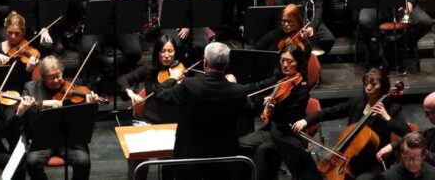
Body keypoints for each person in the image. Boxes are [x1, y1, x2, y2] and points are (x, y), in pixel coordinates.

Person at [153, 42, 251, 180]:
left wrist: (172, 78)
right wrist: (234, 85)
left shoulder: (189, 85)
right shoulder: (238, 91)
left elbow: (160, 94)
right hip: (222, 162)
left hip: (189, 161)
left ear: (205, 62)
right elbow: (249, 110)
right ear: (227, 64)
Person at [292, 68, 410, 180]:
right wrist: (306, 121)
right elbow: (331, 112)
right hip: (347, 158)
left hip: (373, 162)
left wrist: (387, 118)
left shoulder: (392, 108)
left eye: (373, 84)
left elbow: (408, 133)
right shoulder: (358, 101)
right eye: (366, 83)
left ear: (383, 87)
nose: (368, 88)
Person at [239, 44, 318, 180]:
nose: (285, 65)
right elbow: (258, 86)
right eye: (282, 60)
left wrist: (274, 105)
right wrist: (236, 88)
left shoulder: (302, 89)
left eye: (290, 61)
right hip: (272, 130)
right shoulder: (279, 79)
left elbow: (288, 116)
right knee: (240, 145)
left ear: (298, 63)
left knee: (263, 152)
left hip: (288, 134)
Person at [22, 55, 99, 180]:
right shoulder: (30, 88)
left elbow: (84, 119)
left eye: (59, 75)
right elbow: (26, 112)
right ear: (42, 76)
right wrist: (44, 104)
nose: (57, 80)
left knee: (83, 161)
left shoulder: (71, 88)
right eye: (51, 77)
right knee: (32, 162)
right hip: (43, 141)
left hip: (69, 141)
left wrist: (89, 104)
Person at [119, 36, 184, 179]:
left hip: (172, 124)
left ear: (175, 52)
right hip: (149, 121)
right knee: (136, 153)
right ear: (157, 53)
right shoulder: (149, 70)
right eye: (163, 51)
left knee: (178, 156)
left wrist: (178, 80)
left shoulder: (181, 72)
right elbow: (123, 79)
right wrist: (130, 92)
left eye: (170, 51)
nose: (167, 56)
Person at [0, 11, 40, 91]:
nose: (13, 36)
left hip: (16, 93)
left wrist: (28, 70)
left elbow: (23, 83)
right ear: (5, 30)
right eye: (10, 32)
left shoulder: (26, 52)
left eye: (17, 33)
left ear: (23, 32)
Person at [377, 91, 435, 167]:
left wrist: (418, 151)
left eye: (428, 113)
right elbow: (417, 137)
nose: (426, 117)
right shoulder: (431, 131)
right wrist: (392, 146)